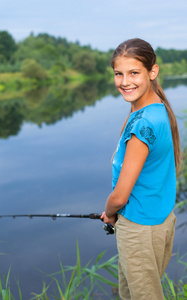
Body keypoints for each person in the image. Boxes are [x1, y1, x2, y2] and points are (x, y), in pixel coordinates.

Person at [101, 38, 181, 300]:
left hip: (140, 229)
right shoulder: (158, 107)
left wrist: (110, 212)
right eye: (119, 74)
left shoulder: (142, 126)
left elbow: (121, 196)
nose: (125, 82)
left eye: (134, 72)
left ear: (152, 72)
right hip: (158, 220)